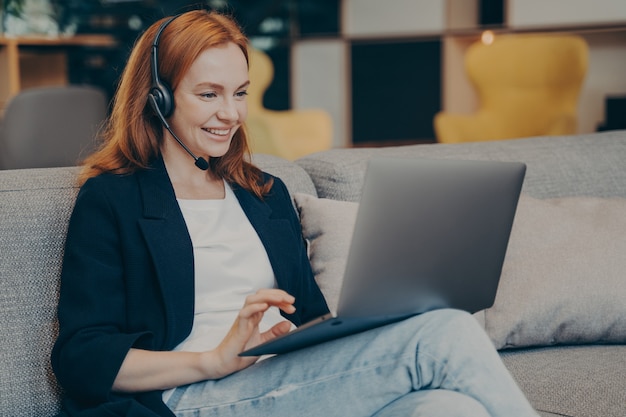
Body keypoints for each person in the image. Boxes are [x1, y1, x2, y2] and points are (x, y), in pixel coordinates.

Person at [51, 9, 539, 417]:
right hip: (191, 398)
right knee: (446, 332)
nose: (231, 114)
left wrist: (344, 327)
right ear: (157, 99)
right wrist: (213, 360)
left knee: (449, 409)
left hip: (288, 388)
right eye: (208, 94)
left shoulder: (263, 193)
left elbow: (309, 317)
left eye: (239, 93)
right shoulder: (111, 199)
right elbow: (81, 358)